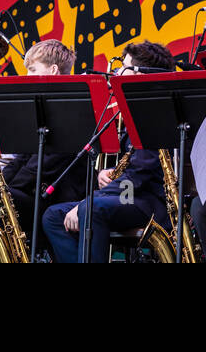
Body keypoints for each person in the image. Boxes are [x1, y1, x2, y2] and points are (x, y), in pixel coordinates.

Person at [41, 41, 173, 263]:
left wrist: (93, 199)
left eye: (125, 67)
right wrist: (111, 172)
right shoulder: (130, 109)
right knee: (53, 216)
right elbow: (133, 166)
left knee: (92, 209)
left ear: (140, 74)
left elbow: (139, 176)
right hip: (128, 196)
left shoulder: (154, 112)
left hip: (149, 200)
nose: (117, 71)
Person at [0, 39, 83, 260]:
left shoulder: (71, 109)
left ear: (54, 70)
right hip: (36, 194)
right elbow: (22, 159)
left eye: (32, 69)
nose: (27, 76)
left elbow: (41, 167)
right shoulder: (40, 107)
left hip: (58, 200)